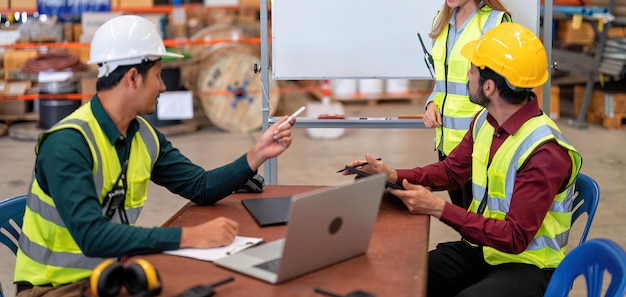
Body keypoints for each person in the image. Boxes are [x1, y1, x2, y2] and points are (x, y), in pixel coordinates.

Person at [14, 15, 294, 296]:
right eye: (158, 75)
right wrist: (190, 236)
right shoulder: (67, 145)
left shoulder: (143, 135)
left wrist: (257, 154)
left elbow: (200, 186)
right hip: (53, 288)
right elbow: (92, 236)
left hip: (107, 274)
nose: (163, 86)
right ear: (133, 77)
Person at [344, 22, 582, 297]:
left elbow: (515, 238)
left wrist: (437, 208)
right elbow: (452, 171)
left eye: (472, 69)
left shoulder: (545, 152)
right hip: (484, 250)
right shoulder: (486, 121)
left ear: (489, 86)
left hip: (528, 266)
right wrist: (393, 175)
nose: (467, 74)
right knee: (402, 277)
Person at [423, 0, 512, 209]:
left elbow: (508, 95)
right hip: (447, 147)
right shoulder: (443, 20)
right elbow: (443, 80)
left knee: (479, 227)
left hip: (479, 149)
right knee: (464, 225)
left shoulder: (496, 24)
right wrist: (430, 103)